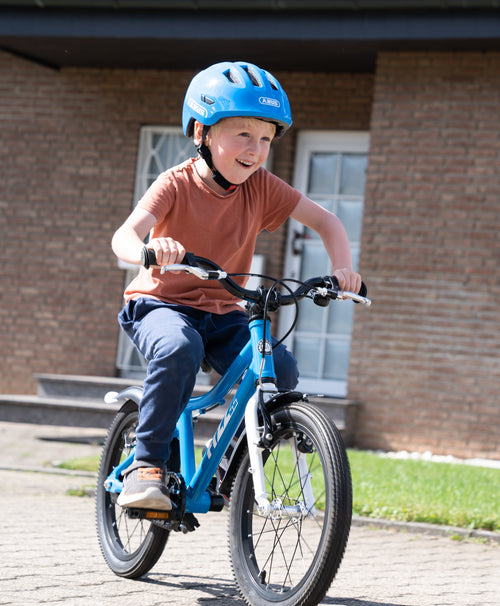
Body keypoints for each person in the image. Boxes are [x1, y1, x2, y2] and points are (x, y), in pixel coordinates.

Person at [111, 61, 362, 511]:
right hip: (160, 304)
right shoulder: (176, 184)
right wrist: (153, 249)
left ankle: (228, 466)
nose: (256, 148)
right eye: (243, 134)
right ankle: (145, 465)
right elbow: (123, 237)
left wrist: (343, 270)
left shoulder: (262, 188)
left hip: (224, 312)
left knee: (279, 370)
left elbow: (327, 222)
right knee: (177, 348)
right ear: (202, 133)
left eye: (266, 138)